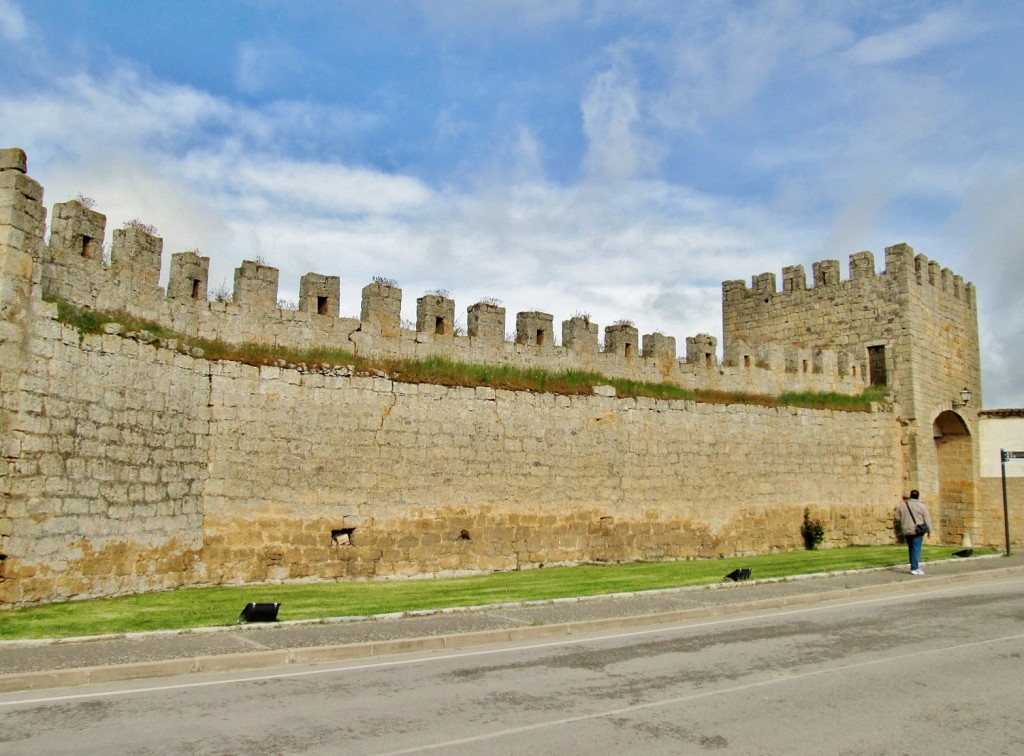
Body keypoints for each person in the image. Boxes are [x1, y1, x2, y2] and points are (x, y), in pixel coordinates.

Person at [897, 490, 933, 575]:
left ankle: (913, 566)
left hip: (906, 530)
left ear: (910, 495)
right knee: (916, 548)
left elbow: (897, 517)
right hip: (917, 530)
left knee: (911, 548)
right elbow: (927, 520)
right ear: (918, 496)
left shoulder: (902, 506)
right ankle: (915, 568)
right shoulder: (922, 506)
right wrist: (929, 531)